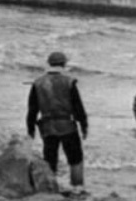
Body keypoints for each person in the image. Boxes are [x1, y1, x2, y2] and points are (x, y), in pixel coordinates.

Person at [26, 51, 89, 191]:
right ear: (64, 64)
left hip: (47, 127)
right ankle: (77, 187)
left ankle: (50, 187)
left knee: (50, 158)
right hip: (67, 125)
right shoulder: (69, 81)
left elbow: (32, 109)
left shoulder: (38, 83)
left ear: (49, 64)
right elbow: (78, 107)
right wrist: (84, 125)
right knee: (75, 157)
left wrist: (30, 130)